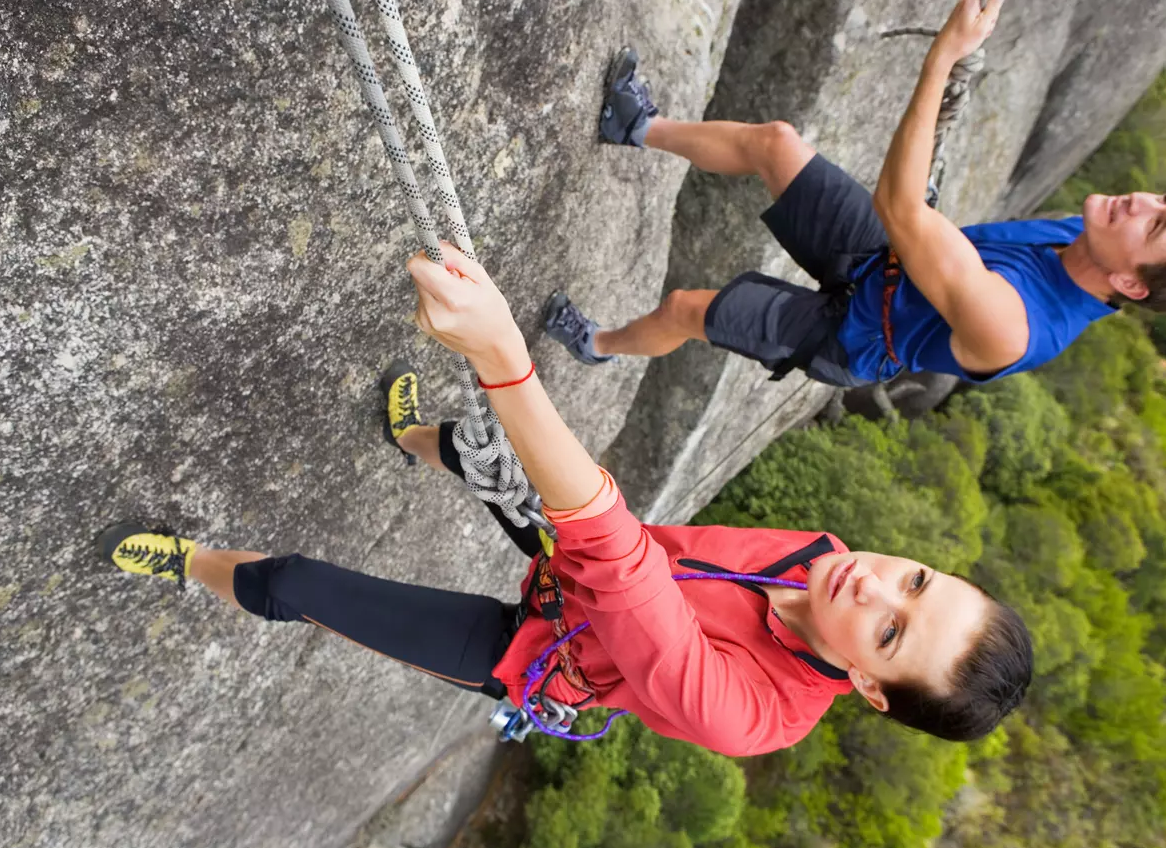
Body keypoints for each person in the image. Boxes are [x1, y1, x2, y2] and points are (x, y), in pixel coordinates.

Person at [99, 243, 1033, 756]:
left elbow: (633, 578)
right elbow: (653, 544)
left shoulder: (751, 716)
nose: (874, 589)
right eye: (916, 581)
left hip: (538, 653)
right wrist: (553, 512)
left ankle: (188, 563)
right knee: (477, 451)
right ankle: (412, 439)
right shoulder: (820, 553)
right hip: (578, 570)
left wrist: (508, 360)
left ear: (868, 688)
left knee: (297, 583)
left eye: (891, 634)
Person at [545, 0, 1166, 387]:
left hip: (853, 337)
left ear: (1131, 284)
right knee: (777, 144)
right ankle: (635, 126)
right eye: (1163, 199)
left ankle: (594, 346)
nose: (1141, 202)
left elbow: (901, 207)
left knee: (686, 308)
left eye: (1155, 224)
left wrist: (944, 56)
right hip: (889, 263)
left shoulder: (1017, 327)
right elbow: (920, 230)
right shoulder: (1083, 235)